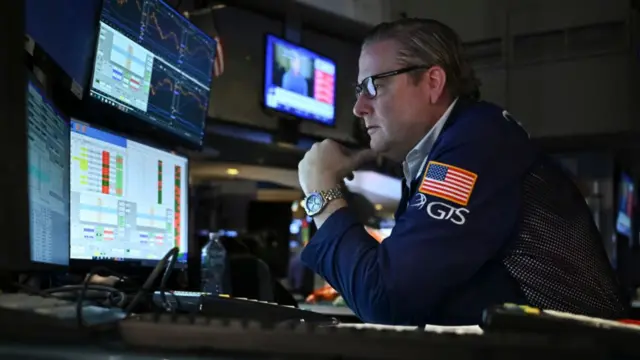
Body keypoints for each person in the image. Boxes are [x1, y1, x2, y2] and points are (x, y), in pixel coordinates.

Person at [296, 18, 628, 326]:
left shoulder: (477, 143)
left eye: (373, 86)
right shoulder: (455, 146)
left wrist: (321, 190)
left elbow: (386, 300)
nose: (359, 108)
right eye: (359, 91)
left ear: (433, 82)